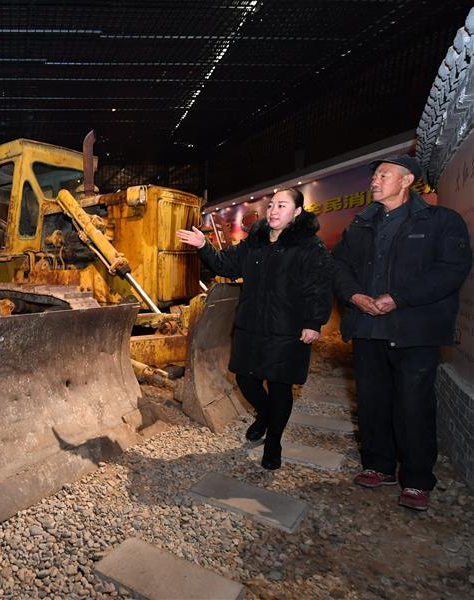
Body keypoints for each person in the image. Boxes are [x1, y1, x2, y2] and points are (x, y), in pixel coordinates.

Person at [332, 155, 471, 511]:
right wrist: (353, 295)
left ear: (407, 180)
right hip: (367, 328)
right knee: (373, 403)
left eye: (383, 175)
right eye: (375, 176)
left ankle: (417, 480)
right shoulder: (360, 224)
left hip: (414, 331)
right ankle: (378, 466)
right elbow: (340, 265)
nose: (374, 181)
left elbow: (451, 270)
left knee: (414, 406)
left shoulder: (440, 221)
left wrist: (399, 298)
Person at [177, 189, 333, 469]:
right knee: (245, 379)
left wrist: (314, 323)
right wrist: (203, 245)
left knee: (279, 385)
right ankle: (265, 415)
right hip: (251, 325)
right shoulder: (255, 243)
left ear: (297, 212)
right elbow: (225, 265)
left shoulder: (310, 247)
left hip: (287, 329)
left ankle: (274, 441)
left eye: (282, 205)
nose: (274, 210)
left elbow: (319, 287)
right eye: (271, 205)